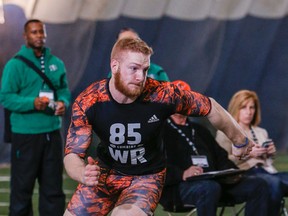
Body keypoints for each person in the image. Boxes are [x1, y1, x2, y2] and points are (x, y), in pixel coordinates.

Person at [63, 37, 253, 216]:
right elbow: (72, 154)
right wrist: (82, 173)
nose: (140, 77)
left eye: (145, 70)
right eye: (134, 68)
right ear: (115, 66)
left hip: (145, 177)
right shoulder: (90, 101)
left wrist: (239, 139)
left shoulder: (161, 95)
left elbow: (210, 107)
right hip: (106, 173)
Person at [160, 81, 269, 216]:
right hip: (179, 188)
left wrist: (232, 173)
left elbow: (220, 156)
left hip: (215, 182)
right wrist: (182, 174)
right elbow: (153, 166)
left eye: (185, 98)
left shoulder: (200, 130)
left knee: (259, 184)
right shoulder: (160, 131)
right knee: (209, 188)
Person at [0, 19, 71, 216]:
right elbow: (6, 97)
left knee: (53, 190)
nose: (38, 35)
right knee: (22, 190)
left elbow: (64, 89)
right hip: (26, 135)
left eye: (41, 31)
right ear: (25, 36)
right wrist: (32, 103)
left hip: (52, 133)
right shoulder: (15, 65)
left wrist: (64, 102)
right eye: (34, 32)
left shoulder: (57, 63)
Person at [216, 89, 288, 215]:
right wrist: (248, 154)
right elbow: (222, 162)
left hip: (266, 171)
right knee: (273, 183)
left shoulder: (261, 132)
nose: (249, 112)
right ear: (236, 108)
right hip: (243, 175)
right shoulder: (224, 133)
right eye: (244, 107)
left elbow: (268, 162)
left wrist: (270, 153)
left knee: (274, 181)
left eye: (252, 107)